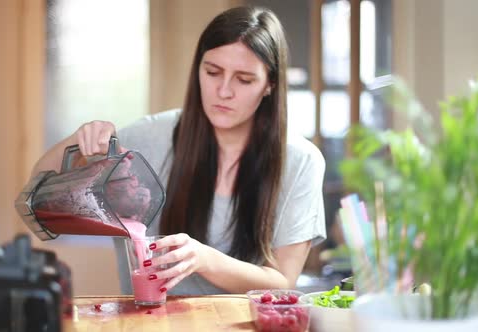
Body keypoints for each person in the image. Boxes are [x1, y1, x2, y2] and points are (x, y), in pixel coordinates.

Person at [31, 6, 326, 295]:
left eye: (244, 79)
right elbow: (36, 197)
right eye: (212, 72)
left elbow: (283, 281)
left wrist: (204, 258)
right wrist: (78, 141)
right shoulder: (146, 140)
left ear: (270, 84)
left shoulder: (300, 161)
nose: (223, 91)